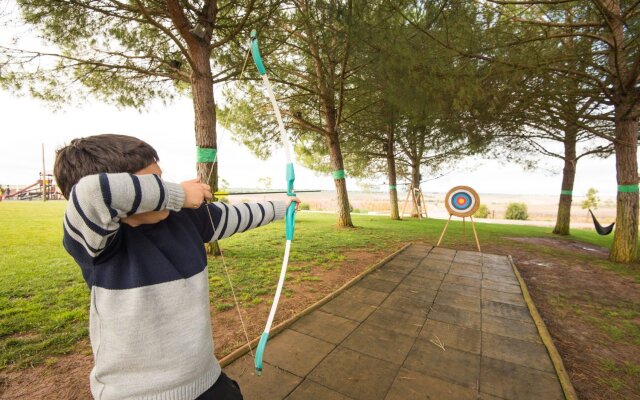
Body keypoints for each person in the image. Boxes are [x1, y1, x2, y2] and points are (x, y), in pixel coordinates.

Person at [54, 134, 299, 400]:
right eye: (153, 183)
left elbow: (236, 216)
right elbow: (92, 191)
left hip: (206, 380)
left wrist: (282, 207)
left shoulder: (184, 219)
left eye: (162, 178)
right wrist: (178, 194)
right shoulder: (98, 242)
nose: (163, 186)